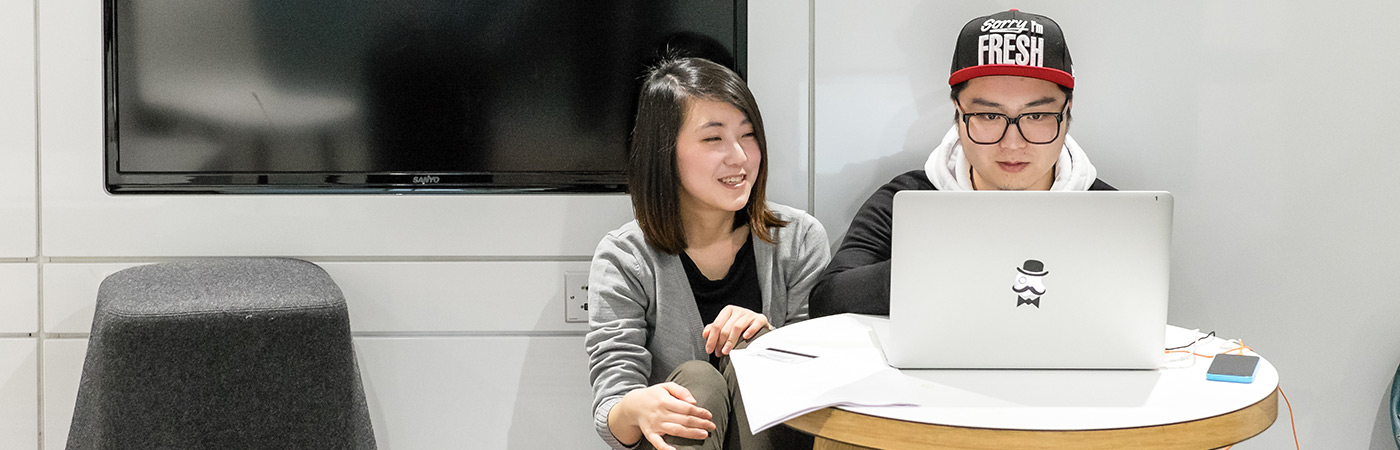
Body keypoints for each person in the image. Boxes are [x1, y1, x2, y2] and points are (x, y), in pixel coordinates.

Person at [586, 57, 829, 450]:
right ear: (664, 152)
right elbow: (612, 409)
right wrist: (638, 407)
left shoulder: (799, 238)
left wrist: (769, 340)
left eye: (748, 135)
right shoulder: (625, 258)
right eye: (713, 139)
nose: (740, 156)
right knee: (698, 382)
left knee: (753, 349)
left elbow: (824, 379)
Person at [810, 9, 1115, 317]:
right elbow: (828, 301)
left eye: (1036, 116)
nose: (1012, 143)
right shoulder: (908, 200)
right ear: (958, 112)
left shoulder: (1113, 214)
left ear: (1067, 111)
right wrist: (943, 264)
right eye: (989, 115)